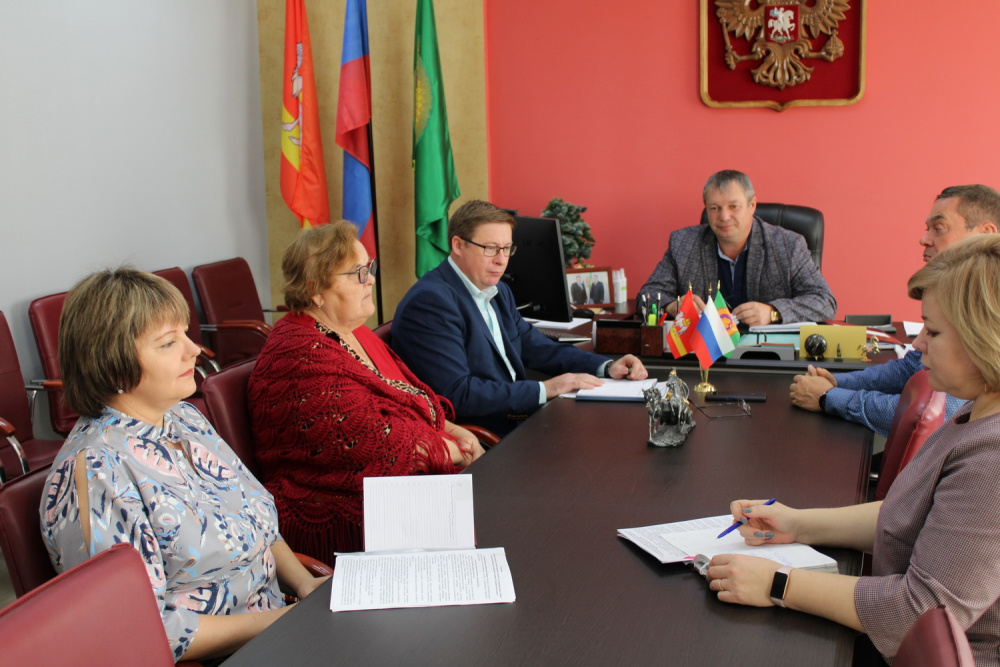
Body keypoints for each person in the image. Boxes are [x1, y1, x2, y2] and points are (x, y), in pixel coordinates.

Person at [703, 234, 1000, 665]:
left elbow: (917, 614)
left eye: (933, 331)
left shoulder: (992, 460)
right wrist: (798, 524)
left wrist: (778, 583)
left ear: (984, 338)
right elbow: (909, 514)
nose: (918, 344)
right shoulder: (978, 410)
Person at [41, 268, 327, 663]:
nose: (194, 350)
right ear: (111, 365)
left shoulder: (184, 417)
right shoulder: (98, 471)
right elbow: (139, 628)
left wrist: (304, 584)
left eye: (186, 334)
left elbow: (259, 523)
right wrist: (284, 621)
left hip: (282, 625)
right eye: (168, 343)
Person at [248, 221, 483, 560]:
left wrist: (456, 431)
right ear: (315, 290)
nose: (370, 279)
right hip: (343, 510)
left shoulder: (354, 331)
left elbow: (411, 401)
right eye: (357, 273)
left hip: (402, 489)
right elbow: (374, 447)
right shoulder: (297, 355)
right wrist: (456, 448)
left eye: (369, 268)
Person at [392, 200, 648, 436]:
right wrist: (547, 389)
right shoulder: (431, 302)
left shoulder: (498, 290)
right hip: (486, 434)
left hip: (519, 416)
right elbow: (457, 394)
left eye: (506, 249)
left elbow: (536, 347)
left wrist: (606, 367)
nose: (501, 260)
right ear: (458, 245)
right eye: (490, 248)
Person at [789, 184, 1000, 436]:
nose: (924, 239)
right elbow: (910, 368)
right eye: (927, 228)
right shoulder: (952, 297)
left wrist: (829, 397)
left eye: (939, 228)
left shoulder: (984, 309)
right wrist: (837, 382)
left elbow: (933, 414)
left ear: (985, 233)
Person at [637, 170, 836, 326]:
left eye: (734, 206)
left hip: (767, 355)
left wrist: (773, 312)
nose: (724, 217)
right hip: (704, 354)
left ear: (752, 205)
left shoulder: (789, 245)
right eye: (715, 208)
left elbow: (824, 302)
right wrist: (672, 306)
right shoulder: (683, 243)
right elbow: (647, 295)